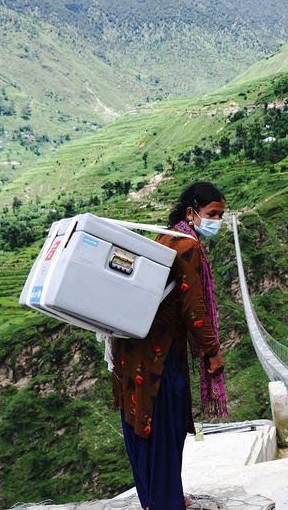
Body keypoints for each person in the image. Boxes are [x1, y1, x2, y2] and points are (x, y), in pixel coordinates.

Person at [110, 181, 229, 509]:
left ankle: (157, 496)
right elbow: (194, 307)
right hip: (158, 353)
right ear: (192, 213)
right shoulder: (186, 245)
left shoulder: (166, 237)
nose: (217, 220)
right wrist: (212, 351)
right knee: (166, 423)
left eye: (221, 215)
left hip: (132, 349)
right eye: (212, 214)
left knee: (140, 423)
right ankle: (167, 502)